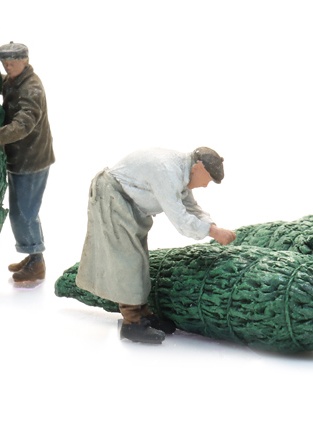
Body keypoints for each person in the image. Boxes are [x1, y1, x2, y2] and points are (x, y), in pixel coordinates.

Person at [75, 147, 237, 344]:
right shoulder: (168, 172)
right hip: (112, 197)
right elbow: (180, 218)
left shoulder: (182, 172)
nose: (205, 185)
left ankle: (143, 313)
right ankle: (132, 323)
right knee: (129, 260)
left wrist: (213, 227)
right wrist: (213, 232)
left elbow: (191, 207)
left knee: (139, 259)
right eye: (207, 179)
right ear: (199, 167)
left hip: (125, 202)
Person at [0, 42, 54, 282]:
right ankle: (32, 255)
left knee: (25, 213)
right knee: (19, 212)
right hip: (19, 158)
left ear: (25, 61)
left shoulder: (31, 88)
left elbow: (25, 123)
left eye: (12, 63)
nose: (7, 67)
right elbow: (2, 82)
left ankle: (37, 262)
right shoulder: (14, 80)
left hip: (32, 160)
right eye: (4, 63)